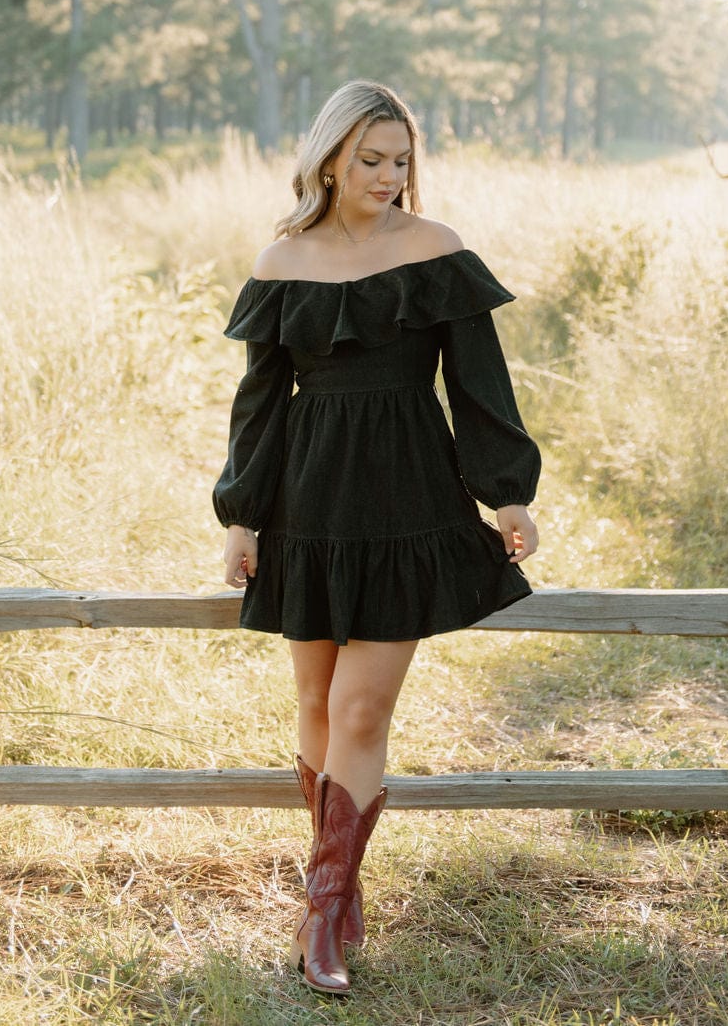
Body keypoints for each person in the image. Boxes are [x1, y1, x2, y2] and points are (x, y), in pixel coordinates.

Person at [213, 79, 541, 998]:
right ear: (329, 160)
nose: (389, 176)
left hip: (408, 498)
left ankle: (320, 916)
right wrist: (241, 513)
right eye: (371, 160)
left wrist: (508, 494)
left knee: (361, 711)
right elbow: (258, 407)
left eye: (401, 160)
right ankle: (340, 883)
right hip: (307, 503)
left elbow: (479, 384)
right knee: (315, 700)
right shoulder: (282, 261)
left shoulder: (435, 251)